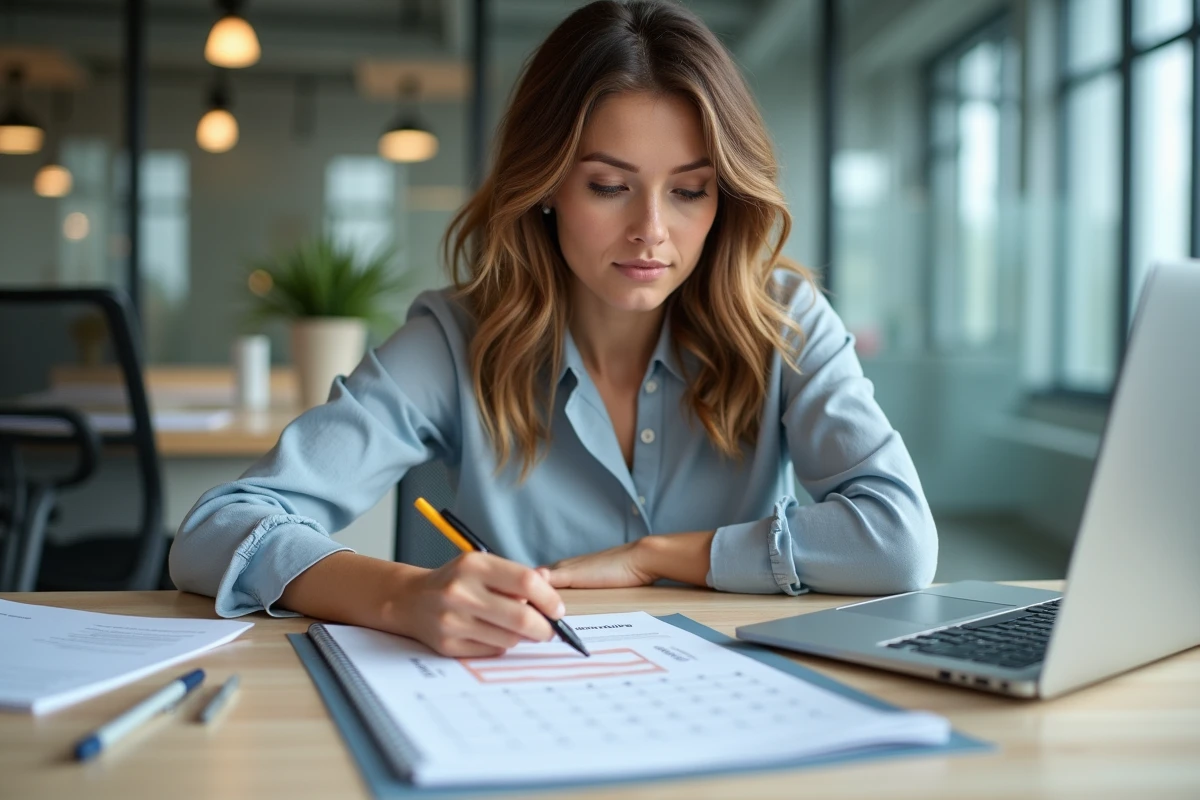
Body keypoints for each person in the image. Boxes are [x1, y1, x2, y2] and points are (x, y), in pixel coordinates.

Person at [169, 0, 937, 658]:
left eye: (691, 192)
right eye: (608, 186)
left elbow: (899, 540)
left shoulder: (783, 320)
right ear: (546, 188)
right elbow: (215, 530)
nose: (652, 232)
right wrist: (402, 596)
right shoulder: (456, 338)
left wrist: (655, 558)